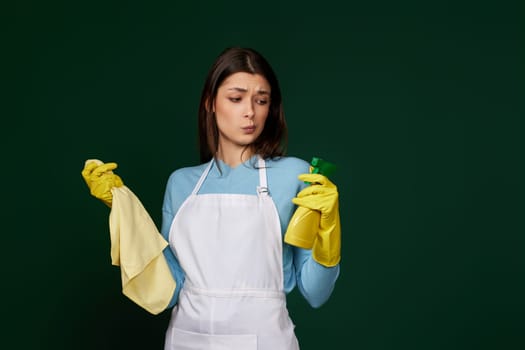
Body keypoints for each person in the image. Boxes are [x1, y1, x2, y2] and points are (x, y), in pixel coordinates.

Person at [81, 47, 342, 350]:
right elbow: (169, 289)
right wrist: (121, 205)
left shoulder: (295, 176)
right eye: (236, 98)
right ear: (211, 103)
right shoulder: (181, 184)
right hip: (187, 340)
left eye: (261, 100)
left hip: (265, 341)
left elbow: (316, 293)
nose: (250, 112)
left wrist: (329, 235)